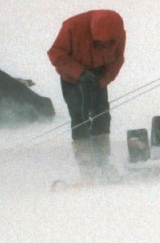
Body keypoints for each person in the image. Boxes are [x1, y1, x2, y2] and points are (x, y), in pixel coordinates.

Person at [47, 9, 126, 169]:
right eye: (99, 44)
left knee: (102, 115)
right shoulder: (71, 27)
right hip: (72, 76)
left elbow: (117, 60)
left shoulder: (118, 34)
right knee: (79, 116)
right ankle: (85, 163)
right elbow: (56, 54)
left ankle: (103, 160)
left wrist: (103, 80)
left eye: (108, 44)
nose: (104, 47)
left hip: (98, 77)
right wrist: (79, 73)